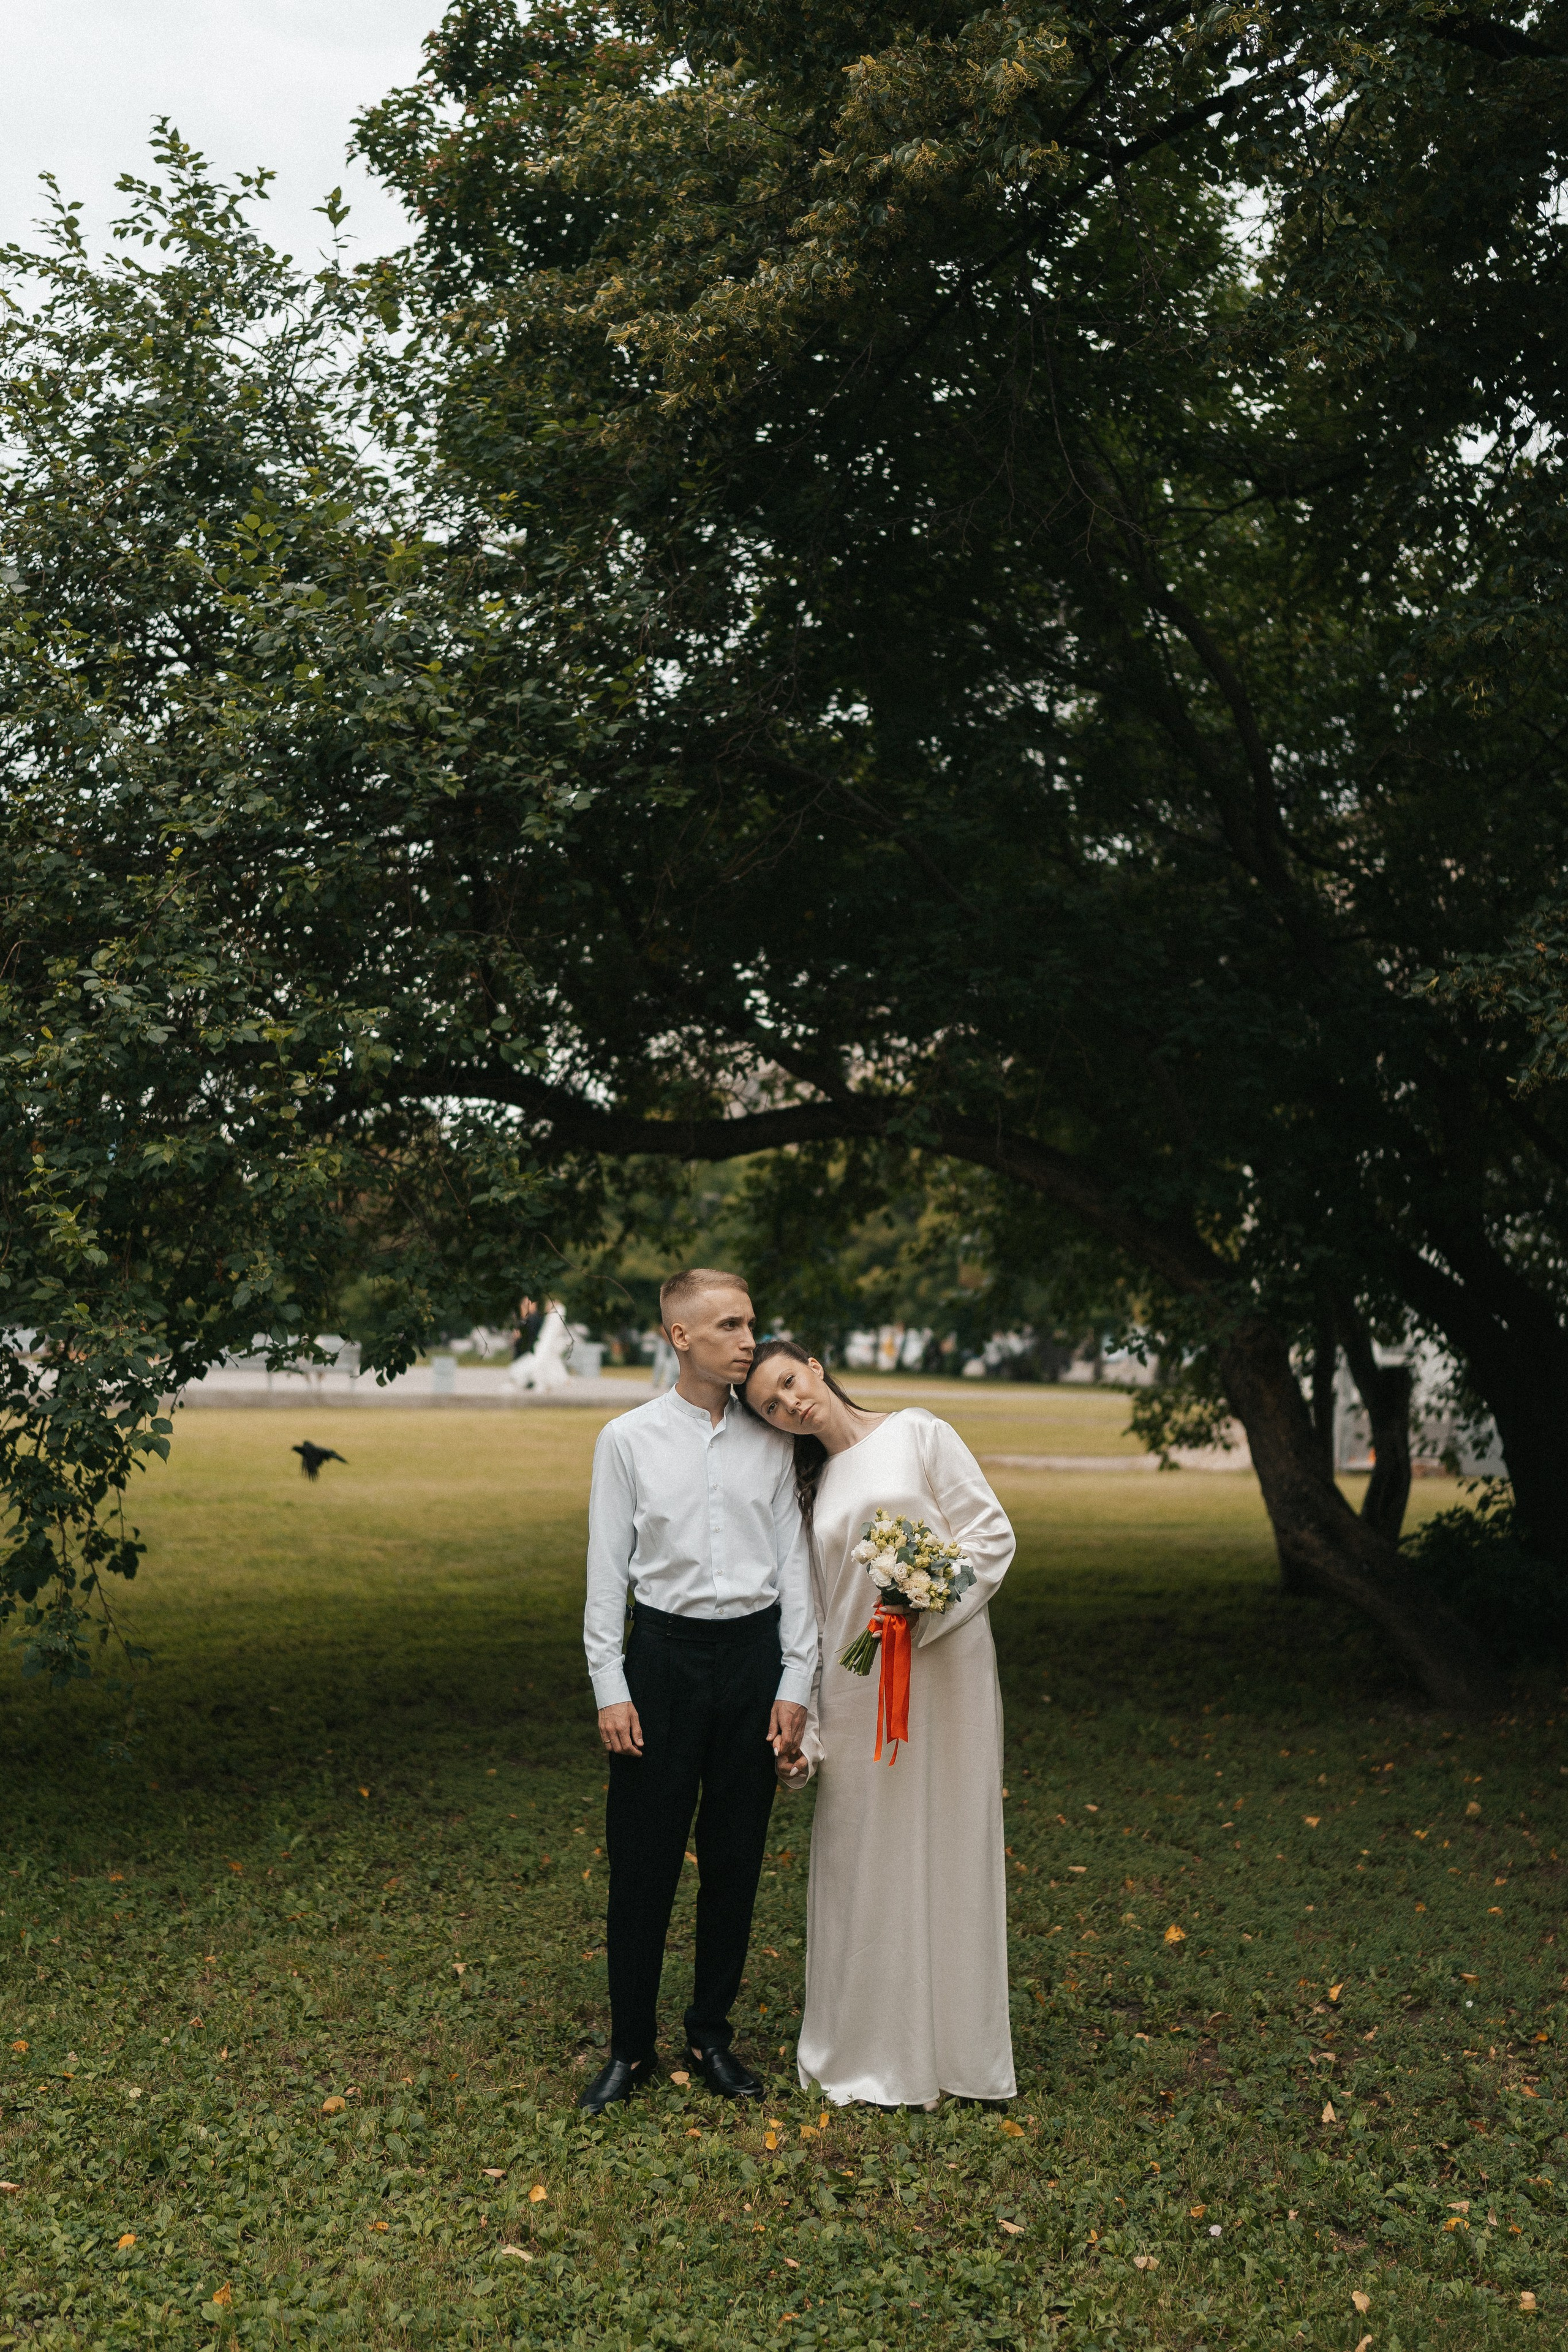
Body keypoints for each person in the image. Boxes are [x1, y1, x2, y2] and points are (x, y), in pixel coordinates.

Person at [740, 1339, 1016, 2109]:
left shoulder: (918, 1432)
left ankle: (958, 2053)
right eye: (770, 1404)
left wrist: (923, 1603)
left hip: (947, 1664)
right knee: (861, 1851)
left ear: (817, 1369)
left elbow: (990, 1536)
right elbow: (821, 1609)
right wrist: (812, 1727)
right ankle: (866, 2050)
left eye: (790, 1382)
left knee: (949, 1838)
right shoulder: (810, 1489)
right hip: (860, 1687)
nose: (789, 1403)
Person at [579, 1270, 815, 2114]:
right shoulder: (628, 1439)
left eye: (751, 1322)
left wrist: (796, 1681)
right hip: (663, 1660)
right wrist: (611, 1686)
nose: (750, 1340)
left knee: (736, 1858)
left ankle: (710, 2032)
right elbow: (607, 1572)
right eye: (729, 1325)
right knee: (642, 1862)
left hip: (753, 1662)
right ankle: (630, 2047)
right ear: (681, 1337)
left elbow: (795, 1567)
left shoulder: (774, 1438)